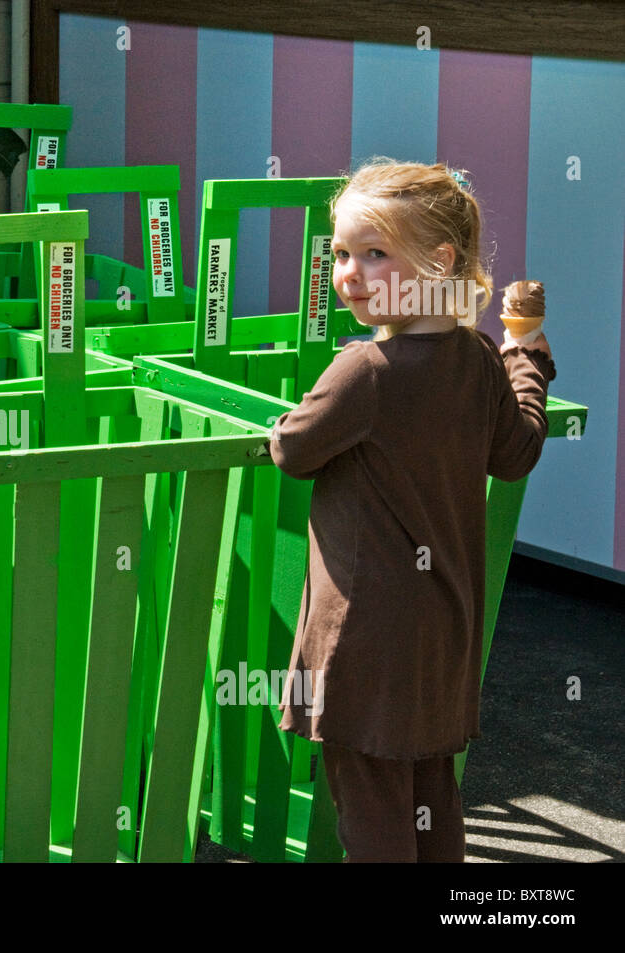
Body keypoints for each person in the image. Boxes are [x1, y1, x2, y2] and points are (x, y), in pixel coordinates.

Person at [268, 159, 557, 862]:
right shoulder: (482, 359)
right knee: (432, 804)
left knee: (371, 813)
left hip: (366, 643)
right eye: (340, 253)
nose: (350, 272)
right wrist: (529, 357)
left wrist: (284, 421)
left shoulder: (362, 371)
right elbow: (517, 451)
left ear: (438, 260)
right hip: (442, 633)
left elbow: (291, 449)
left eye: (373, 253)